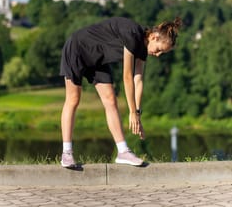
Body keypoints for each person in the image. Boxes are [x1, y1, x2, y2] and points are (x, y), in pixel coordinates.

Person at [60, 16, 182, 167]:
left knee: (111, 100)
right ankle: (66, 153)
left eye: (161, 53)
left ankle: (123, 152)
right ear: (153, 37)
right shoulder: (132, 35)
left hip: (98, 59)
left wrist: (137, 113)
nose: (157, 55)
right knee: (73, 99)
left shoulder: (142, 49)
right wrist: (130, 111)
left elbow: (138, 80)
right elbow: (127, 76)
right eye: (158, 50)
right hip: (78, 48)